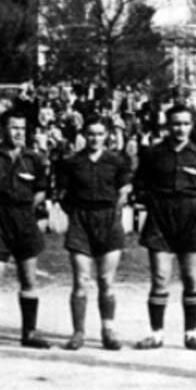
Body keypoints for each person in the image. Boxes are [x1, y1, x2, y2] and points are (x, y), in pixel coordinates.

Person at [133, 105, 196, 350]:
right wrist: (154, 202)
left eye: (185, 124)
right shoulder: (153, 154)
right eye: (175, 124)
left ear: (191, 126)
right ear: (167, 126)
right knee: (160, 277)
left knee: (191, 277)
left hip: (190, 218)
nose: (180, 128)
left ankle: (191, 333)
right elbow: (139, 186)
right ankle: (156, 334)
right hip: (160, 218)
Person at [0, 110, 51, 350]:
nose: (19, 132)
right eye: (14, 127)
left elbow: (41, 189)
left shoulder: (34, 158)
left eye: (22, 128)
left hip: (25, 219)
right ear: (3, 129)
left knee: (28, 278)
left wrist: (28, 208)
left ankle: (29, 332)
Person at [55, 114, 132, 351]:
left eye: (99, 134)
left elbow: (124, 192)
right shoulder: (72, 162)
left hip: (108, 220)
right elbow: (63, 196)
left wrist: (112, 213)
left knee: (106, 281)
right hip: (81, 221)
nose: (94, 138)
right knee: (80, 280)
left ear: (107, 136)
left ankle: (108, 329)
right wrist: (78, 214)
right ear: (83, 136)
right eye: (90, 134)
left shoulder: (116, 161)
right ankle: (78, 332)